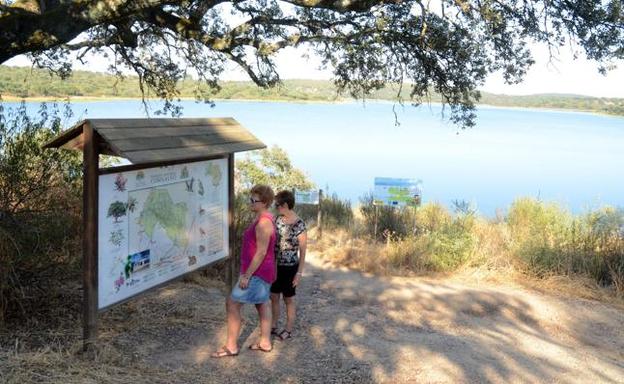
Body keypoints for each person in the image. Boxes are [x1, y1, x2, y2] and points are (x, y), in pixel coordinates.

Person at [211, 185, 277, 358]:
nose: (251, 203)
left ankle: (231, 346)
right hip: (262, 271)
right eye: (251, 199)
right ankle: (265, 342)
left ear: (265, 203)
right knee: (262, 304)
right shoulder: (264, 218)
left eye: (254, 201)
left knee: (232, 303)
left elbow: (262, 252)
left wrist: (247, 275)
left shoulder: (263, 223)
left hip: (257, 272)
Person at [270, 190, 307, 341]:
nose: (276, 207)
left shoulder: (300, 224)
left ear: (285, 204)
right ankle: (273, 325)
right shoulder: (277, 220)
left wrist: (299, 273)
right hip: (275, 266)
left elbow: (303, 251)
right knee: (273, 297)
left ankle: (288, 329)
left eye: (278, 204)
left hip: (290, 268)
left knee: (288, 299)